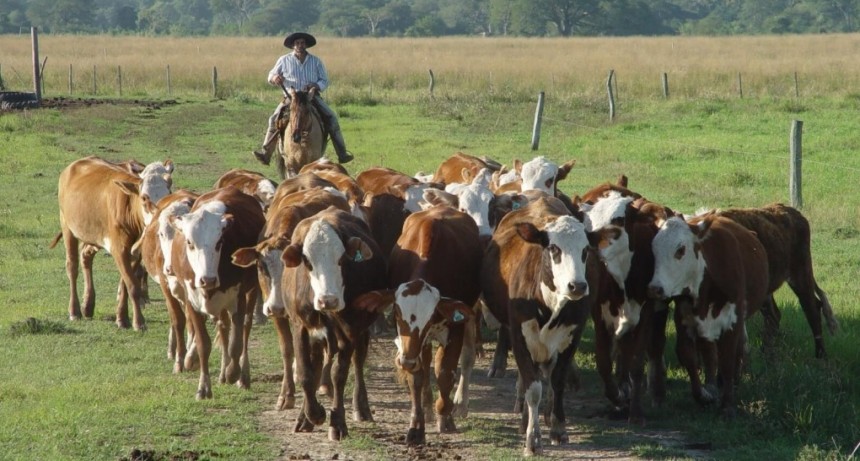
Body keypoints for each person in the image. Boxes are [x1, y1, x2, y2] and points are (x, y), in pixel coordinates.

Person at [253, 32, 353, 165]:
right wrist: (275, 78)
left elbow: (324, 80)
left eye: (302, 43)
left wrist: (316, 85)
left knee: (332, 118)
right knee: (273, 119)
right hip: (291, 98)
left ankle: (342, 153)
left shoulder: (316, 61)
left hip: (311, 97)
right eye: (297, 43)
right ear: (293, 45)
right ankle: (266, 153)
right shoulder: (284, 60)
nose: (300, 45)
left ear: (306, 45)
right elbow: (270, 75)